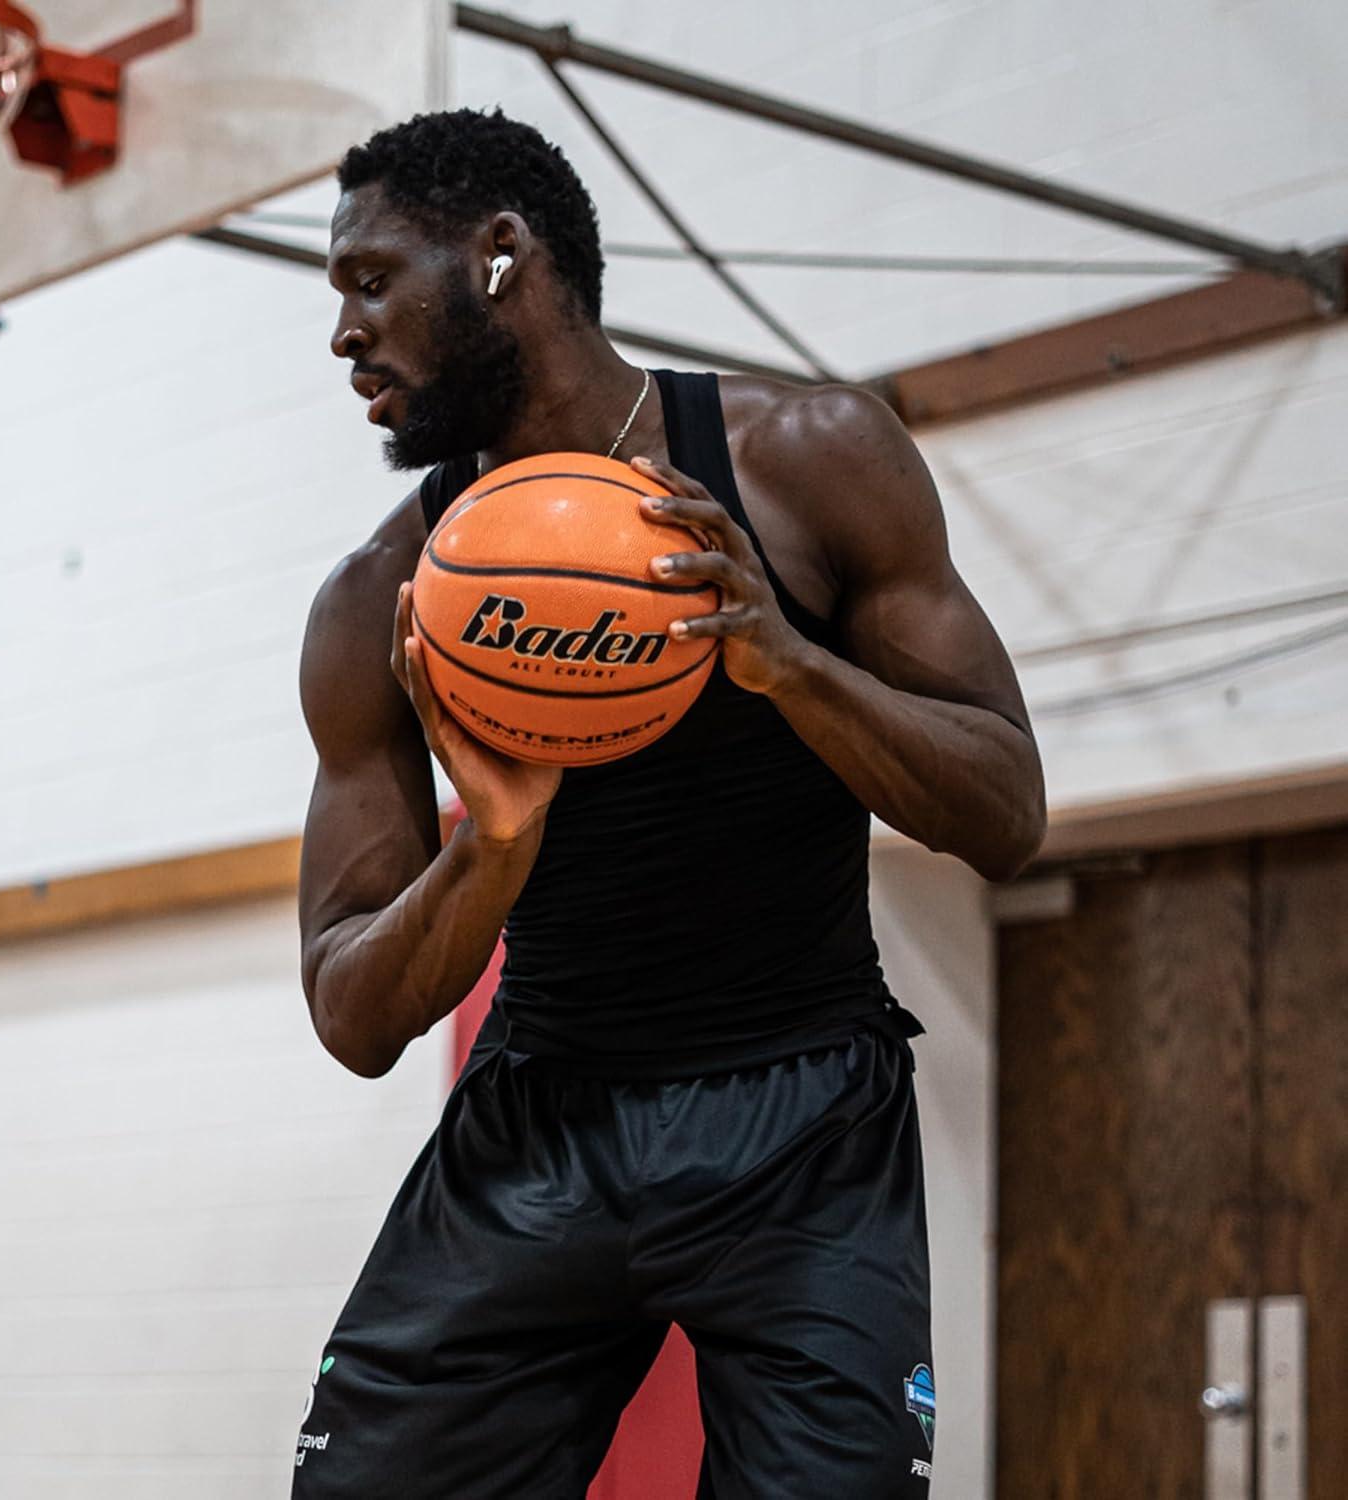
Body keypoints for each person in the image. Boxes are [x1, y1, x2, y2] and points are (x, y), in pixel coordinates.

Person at [293, 108, 1045, 1498]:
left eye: (371, 280)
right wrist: (491, 854)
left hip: (803, 1114)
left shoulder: (805, 460)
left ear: (503, 260)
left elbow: (1008, 812)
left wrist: (793, 671)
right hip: (542, 1112)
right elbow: (351, 1013)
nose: (345, 334)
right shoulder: (374, 606)